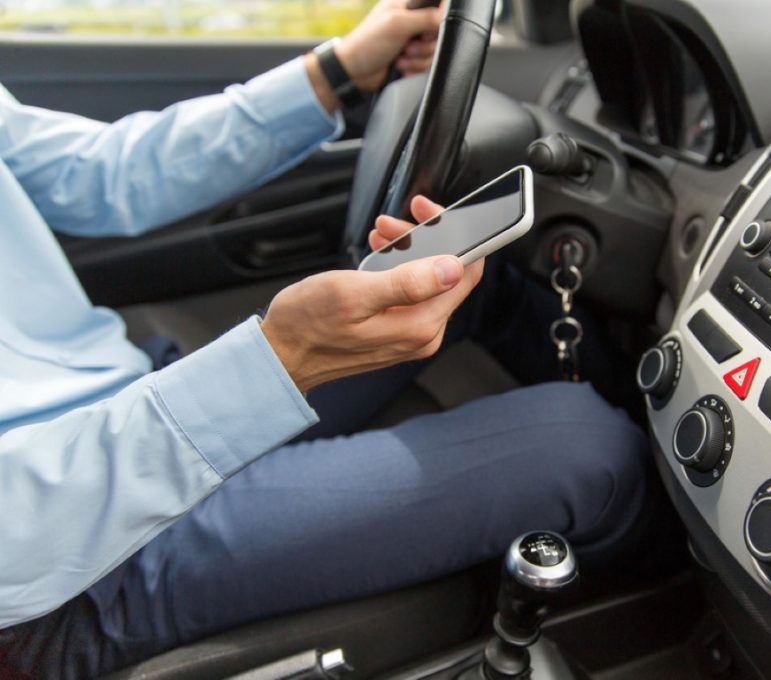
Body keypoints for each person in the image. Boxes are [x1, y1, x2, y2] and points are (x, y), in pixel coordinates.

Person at [0, 2, 648, 677]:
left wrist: (337, 69)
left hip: (119, 403)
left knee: (468, 285)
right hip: (62, 563)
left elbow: (101, 172)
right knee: (588, 447)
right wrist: (280, 362)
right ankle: (671, 606)